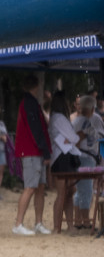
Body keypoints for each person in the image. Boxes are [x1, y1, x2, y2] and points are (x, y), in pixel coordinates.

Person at [12, 75, 52, 236]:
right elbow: (36, 129)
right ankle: (18, 223)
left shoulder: (31, 103)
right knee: (30, 187)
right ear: (36, 86)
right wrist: (45, 149)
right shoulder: (29, 103)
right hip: (31, 152)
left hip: (36, 151)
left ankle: (38, 222)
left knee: (40, 186)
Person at [47, 91, 82, 234]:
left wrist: (71, 138)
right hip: (63, 158)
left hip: (61, 157)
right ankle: (59, 227)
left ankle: (66, 226)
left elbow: (72, 138)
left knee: (66, 192)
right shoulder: (60, 118)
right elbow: (74, 138)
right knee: (63, 193)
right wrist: (72, 138)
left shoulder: (55, 118)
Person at [72, 94, 104, 231]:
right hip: (85, 157)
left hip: (84, 157)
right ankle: (85, 222)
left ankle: (79, 220)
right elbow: (77, 139)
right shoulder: (83, 121)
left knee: (81, 190)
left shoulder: (77, 121)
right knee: (86, 190)